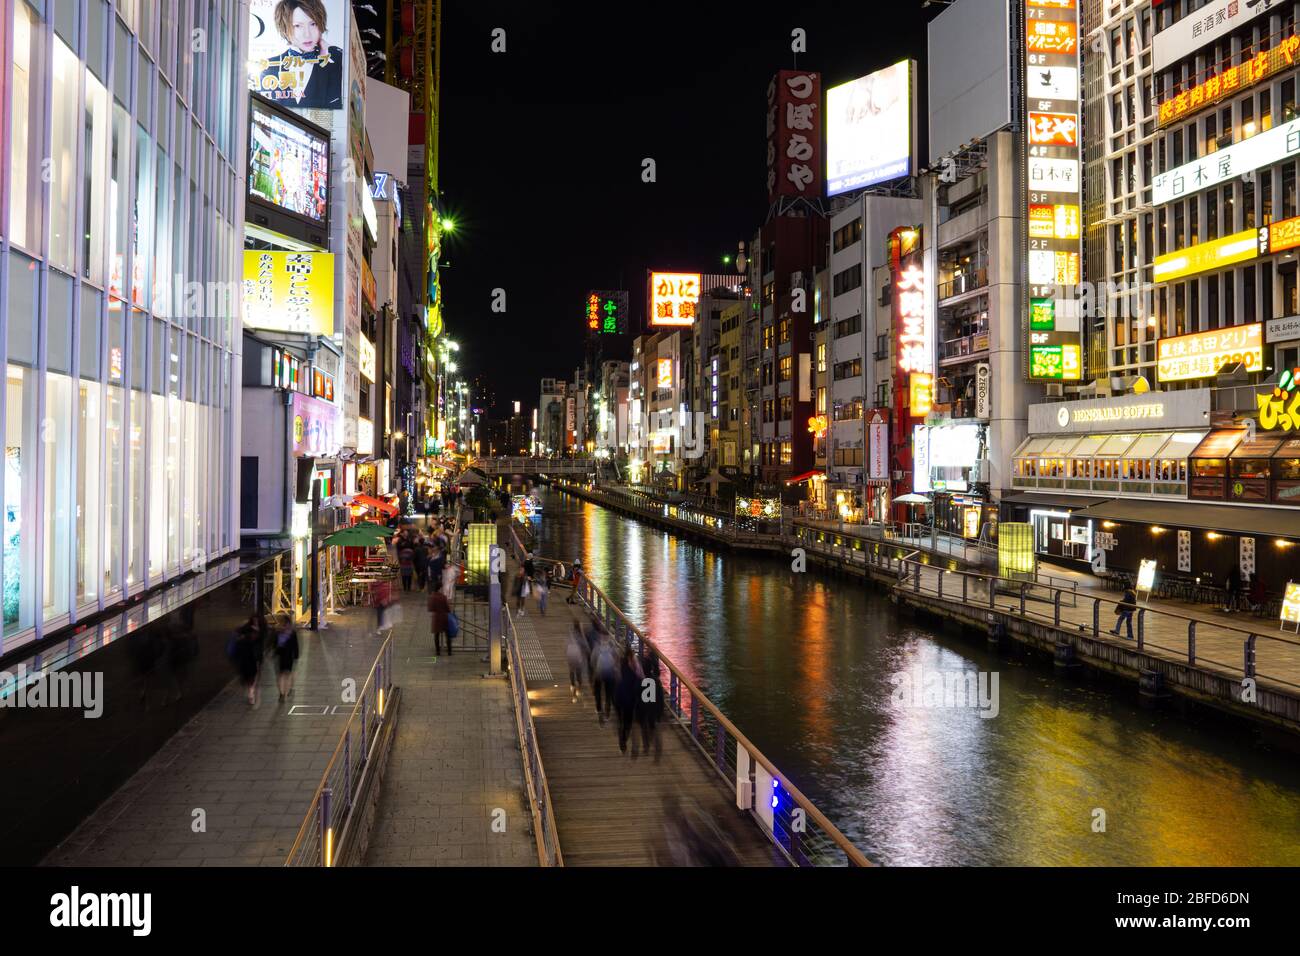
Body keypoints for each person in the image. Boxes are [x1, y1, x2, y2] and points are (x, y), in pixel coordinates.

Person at [256, 0, 344, 110]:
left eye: (313, 24)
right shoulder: (269, 68)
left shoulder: (336, 61)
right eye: (297, 26)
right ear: (284, 28)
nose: (307, 34)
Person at [637, 643, 664, 762]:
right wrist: (660, 711)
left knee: (644, 727)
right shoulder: (656, 681)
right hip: (653, 709)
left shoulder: (642, 681)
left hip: (644, 708)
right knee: (653, 727)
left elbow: (638, 697)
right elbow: (660, 698)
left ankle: (646, 746)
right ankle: (656, 746)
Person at [614, 645, 642, 755]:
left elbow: (616, 675)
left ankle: (622, 739)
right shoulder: (635, 668)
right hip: (629, 699)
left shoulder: (621, 663)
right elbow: (641, 678)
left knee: (621, 719)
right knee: (628, 722)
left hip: (618, 696)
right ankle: (623, 739)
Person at [231, 617, 265, 708]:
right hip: (251, 660)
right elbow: (259, 648)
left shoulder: (241, 639)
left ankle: (250, 692)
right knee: (252, 678)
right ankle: (251, 693)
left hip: (245, 660)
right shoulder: (254, 639)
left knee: (249, 678)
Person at [591, 630, 617, 725]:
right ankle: (607, 709)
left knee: (598, 692)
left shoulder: (597, 647)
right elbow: (616, 659)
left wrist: (595, 670)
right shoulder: (612, 647)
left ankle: (599, 710)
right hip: (610, 673)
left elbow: (592, 660)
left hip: (599, 673)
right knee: (608, 692)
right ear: (608, 637)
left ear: (601, 637)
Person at [272, 614, 300, 701]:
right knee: (286, 674)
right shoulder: (291, 632)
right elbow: (295, 645)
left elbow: (274, 644)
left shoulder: (277, 631)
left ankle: (282, 693)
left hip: (281, 655)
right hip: (287, 655)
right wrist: (296, 656)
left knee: (281, 675)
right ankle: (283, 693)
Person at [565, 623, 588, 702]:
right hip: (578, 659)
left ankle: (573, 688)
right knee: (578, 674)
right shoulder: (581, 636)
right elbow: (586, 646)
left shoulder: (571, 635)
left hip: (570, 657)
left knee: (571, 672)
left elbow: (566, 645)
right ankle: (578, 689)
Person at [428, 585, 451, 657]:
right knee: (447, 635)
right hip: (444, 617)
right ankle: (449, 651)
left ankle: (438, 651)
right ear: (440, 589)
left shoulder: (432, 597)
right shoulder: (443, 597)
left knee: (436, 635)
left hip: (436, 618)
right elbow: (448, 608)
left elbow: (430, 608)